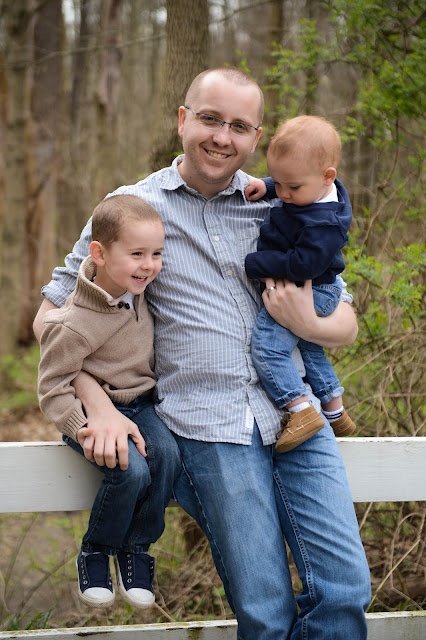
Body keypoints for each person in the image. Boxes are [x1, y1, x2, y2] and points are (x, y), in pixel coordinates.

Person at [34, 67, 371, 639]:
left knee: (344, 591)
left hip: (298, 412)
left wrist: (310, 321)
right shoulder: (131, 207)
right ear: (183, 119)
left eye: (239, 126)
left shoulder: (282, 199)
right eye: (211, 118)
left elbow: (347, 320)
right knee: (263, 610)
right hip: (210, 427)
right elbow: (52, 316)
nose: (222, 136)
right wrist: (100, 404)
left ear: (255, 138)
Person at [37, 195, 181, 609]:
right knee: (129, 471)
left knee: (168, 456)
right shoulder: (72, 323)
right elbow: (52, 387)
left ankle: (137, 549)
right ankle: (96, 551)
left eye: (156, 254)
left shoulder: (142, 293)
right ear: (97, 253)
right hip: (87, 417)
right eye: (136, 254)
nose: (149, 265)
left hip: (142, 404)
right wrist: (82, 427)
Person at [244, 115, 356, 453]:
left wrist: (256, 265)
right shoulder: (318, 188)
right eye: (280, 184)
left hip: (312, 289)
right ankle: (335, 410)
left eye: (292, 188)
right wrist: (266, 185)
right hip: (318, 287)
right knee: (308, 346)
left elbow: (302, 264)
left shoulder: (324, 224)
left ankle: (300, 410)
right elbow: (292, 175)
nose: (284, 194)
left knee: (268, 347)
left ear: (327, 177)